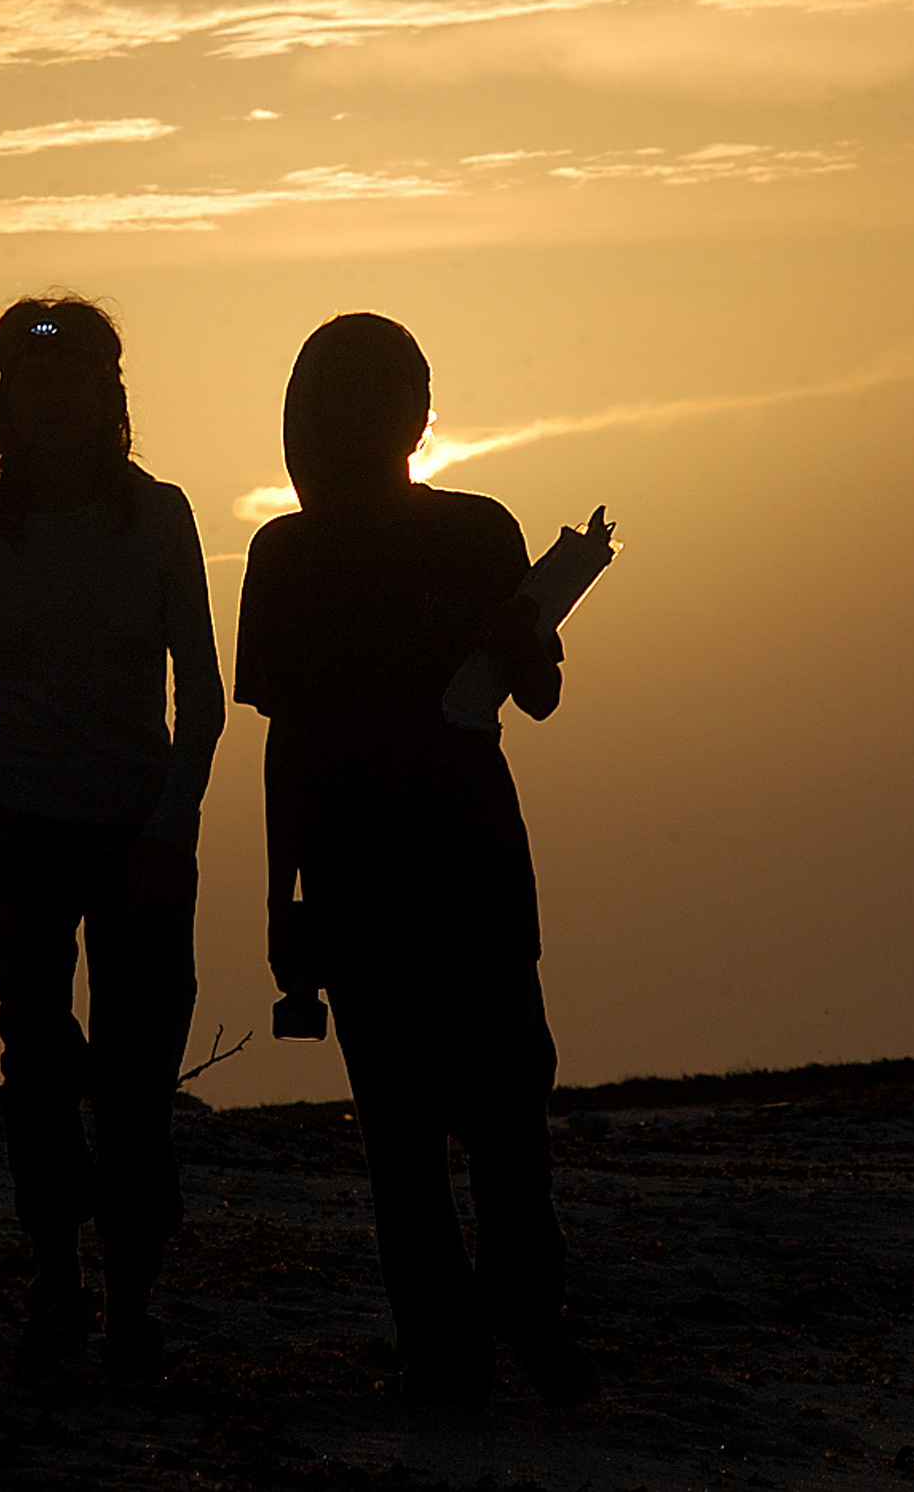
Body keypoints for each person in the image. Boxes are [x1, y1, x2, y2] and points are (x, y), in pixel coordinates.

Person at [234, 312, 598, 1409]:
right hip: (355, 873)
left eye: (376, 393)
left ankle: (530, 1322)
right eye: (330, 395)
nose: (351, 415)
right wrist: (281, 900)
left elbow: (538, 696)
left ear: (418, 415)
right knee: (398, 1132)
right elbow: (284, 739)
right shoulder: (283, 555)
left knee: (506, 1113)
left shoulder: (479, 531)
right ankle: (447, 1352)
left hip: (474, 861)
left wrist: (519, 635)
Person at [0, 297, 224, 1376]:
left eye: (75, 379)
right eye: (30, 382)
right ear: (4, 398)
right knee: (40, 1061)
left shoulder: (162, 516)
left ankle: (133, 1293)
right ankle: (57, 1273)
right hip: (16, 829)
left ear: (111, 395)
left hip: (137, 828)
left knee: (136, 1075)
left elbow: (206, 690)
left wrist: (171, 827)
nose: (54, 400)